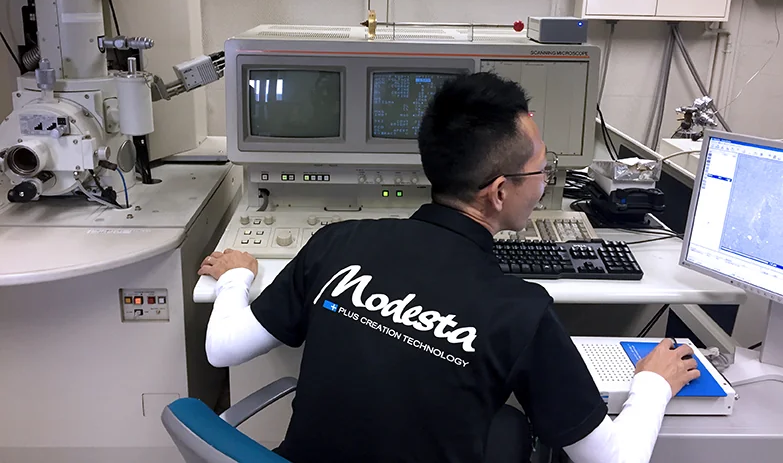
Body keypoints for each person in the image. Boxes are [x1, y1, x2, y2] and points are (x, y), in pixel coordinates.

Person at [200, 72, 699, 463]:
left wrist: (237, 277)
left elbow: (222, 348)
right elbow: (615, 459)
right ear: (499, 192)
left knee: (504, 427)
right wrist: (652, 384)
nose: (546, 183)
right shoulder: (520, 312)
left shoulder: (338, 241)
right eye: (542, 169)